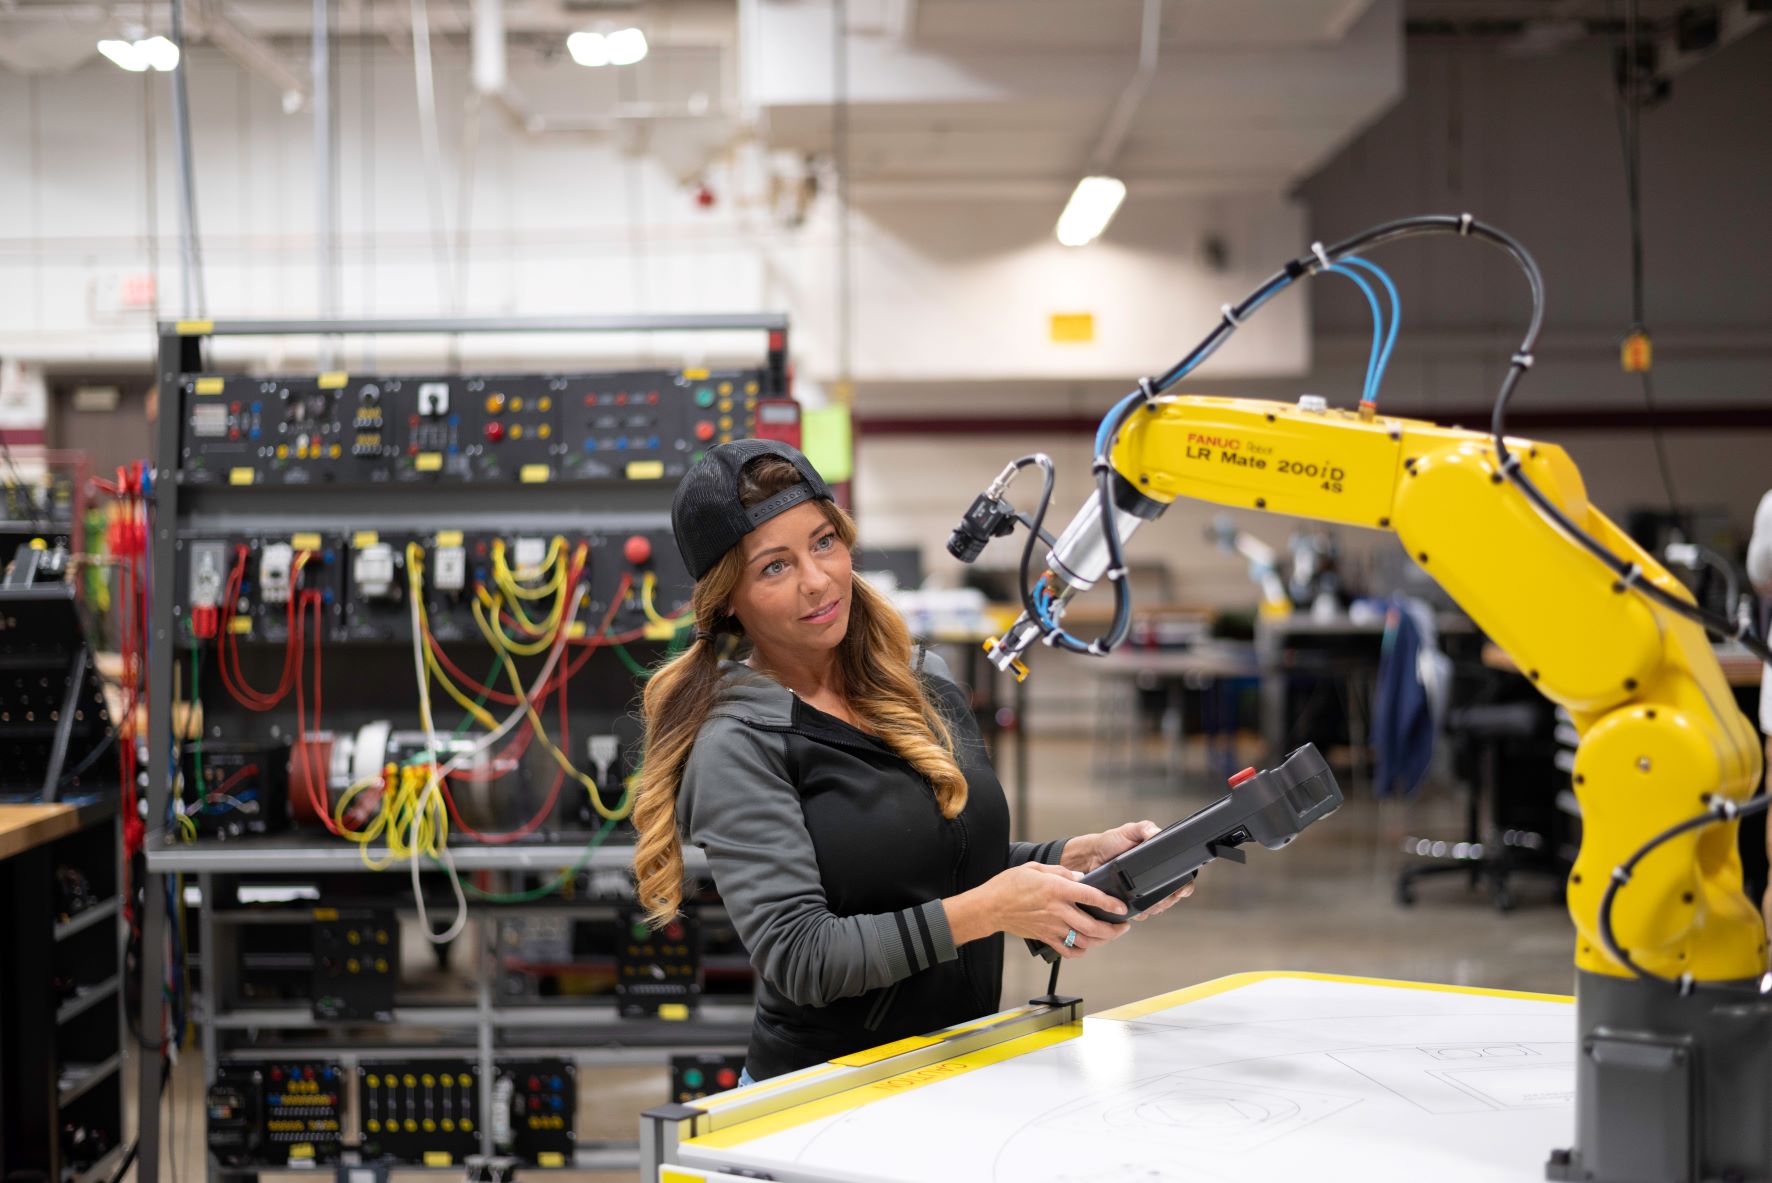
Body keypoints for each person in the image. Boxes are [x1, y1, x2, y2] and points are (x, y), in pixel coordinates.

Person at [630, 440, 1192, 1082]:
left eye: (822, 542)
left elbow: (935, 863)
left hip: (955, 1069)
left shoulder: (922, 683)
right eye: (773, 568)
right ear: (729, 598)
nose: (817, 580)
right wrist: (995, 909)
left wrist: (1066, 864)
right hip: (819, 1096)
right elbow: (801, 956)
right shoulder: (739, 740)